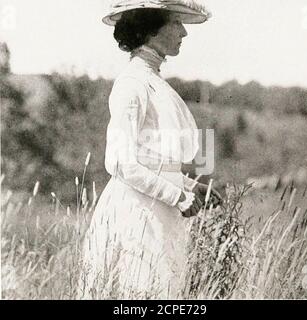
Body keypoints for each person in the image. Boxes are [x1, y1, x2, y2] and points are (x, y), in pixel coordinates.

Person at [77, 0, 221, 300]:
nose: (184, 32)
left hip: (160, 211)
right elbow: (121, 163)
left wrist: (191, 186)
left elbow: (155, 158)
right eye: (175, 24)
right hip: (140, 213)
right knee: (141, 291)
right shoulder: (132, 84)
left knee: (162, 293)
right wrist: (177, 196)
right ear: (151, 31)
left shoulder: (154, 82)